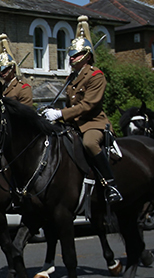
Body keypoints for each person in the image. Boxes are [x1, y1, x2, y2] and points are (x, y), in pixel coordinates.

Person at [42, 15, 122, 204]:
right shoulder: (72, 77)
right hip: (72, 122)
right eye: (71, 55)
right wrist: (52, 112)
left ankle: (111, 185)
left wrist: (61, 114)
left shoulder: (96, 76)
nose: (72, 58)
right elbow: (69, 103)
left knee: (89, 144)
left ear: (86, 55)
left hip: (92, 122)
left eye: (76, 55)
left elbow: (88, 105)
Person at [0, 33, 33, 107]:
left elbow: (24, 112)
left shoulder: (23, 88)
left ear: (12, 68)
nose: (2, 72)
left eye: (5, 69)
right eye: (0, 69)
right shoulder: (0, 89)